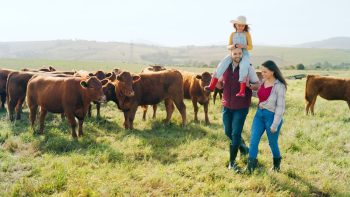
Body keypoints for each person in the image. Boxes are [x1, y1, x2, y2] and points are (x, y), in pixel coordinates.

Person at [205, 47, 260, 173]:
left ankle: (232, 162)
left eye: (240, 53)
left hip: (241, 106)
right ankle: (243, 147)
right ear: (230, 54)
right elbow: (220, 85)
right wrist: (215, 79)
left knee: (235, 133)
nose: (237, 55)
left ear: (242, 54)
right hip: (226, 105)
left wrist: (249, 85)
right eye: (235, 53)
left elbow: (257, 85)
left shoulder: (248, 67)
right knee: (227, 131)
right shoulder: (224, 66)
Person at [246, 60, 287, 173]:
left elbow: (280, 107)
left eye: (265, 71)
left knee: (272, 143)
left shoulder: (280, 86)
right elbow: (261, 95)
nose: (262, 74)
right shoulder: (264, 82)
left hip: (272, 117)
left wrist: (275, 124)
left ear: (272, 72)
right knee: (253, 140)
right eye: (261, 71)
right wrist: (249, 87)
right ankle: (250, 167)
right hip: (259, 115)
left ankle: (276, 165)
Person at [207, 15, 253, 97]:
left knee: (243, 66)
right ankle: (212, 86)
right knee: (222, 64)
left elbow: (251, 47)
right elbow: (228, 46)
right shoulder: (232, 34)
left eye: (242, 25)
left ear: (245, 26)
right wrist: (234, 46)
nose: (241, 27)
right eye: (239, 25)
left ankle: (242, 91)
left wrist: (243, 46)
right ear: (235, 25)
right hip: (233, 54)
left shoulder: (247, 34)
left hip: (244, 54)